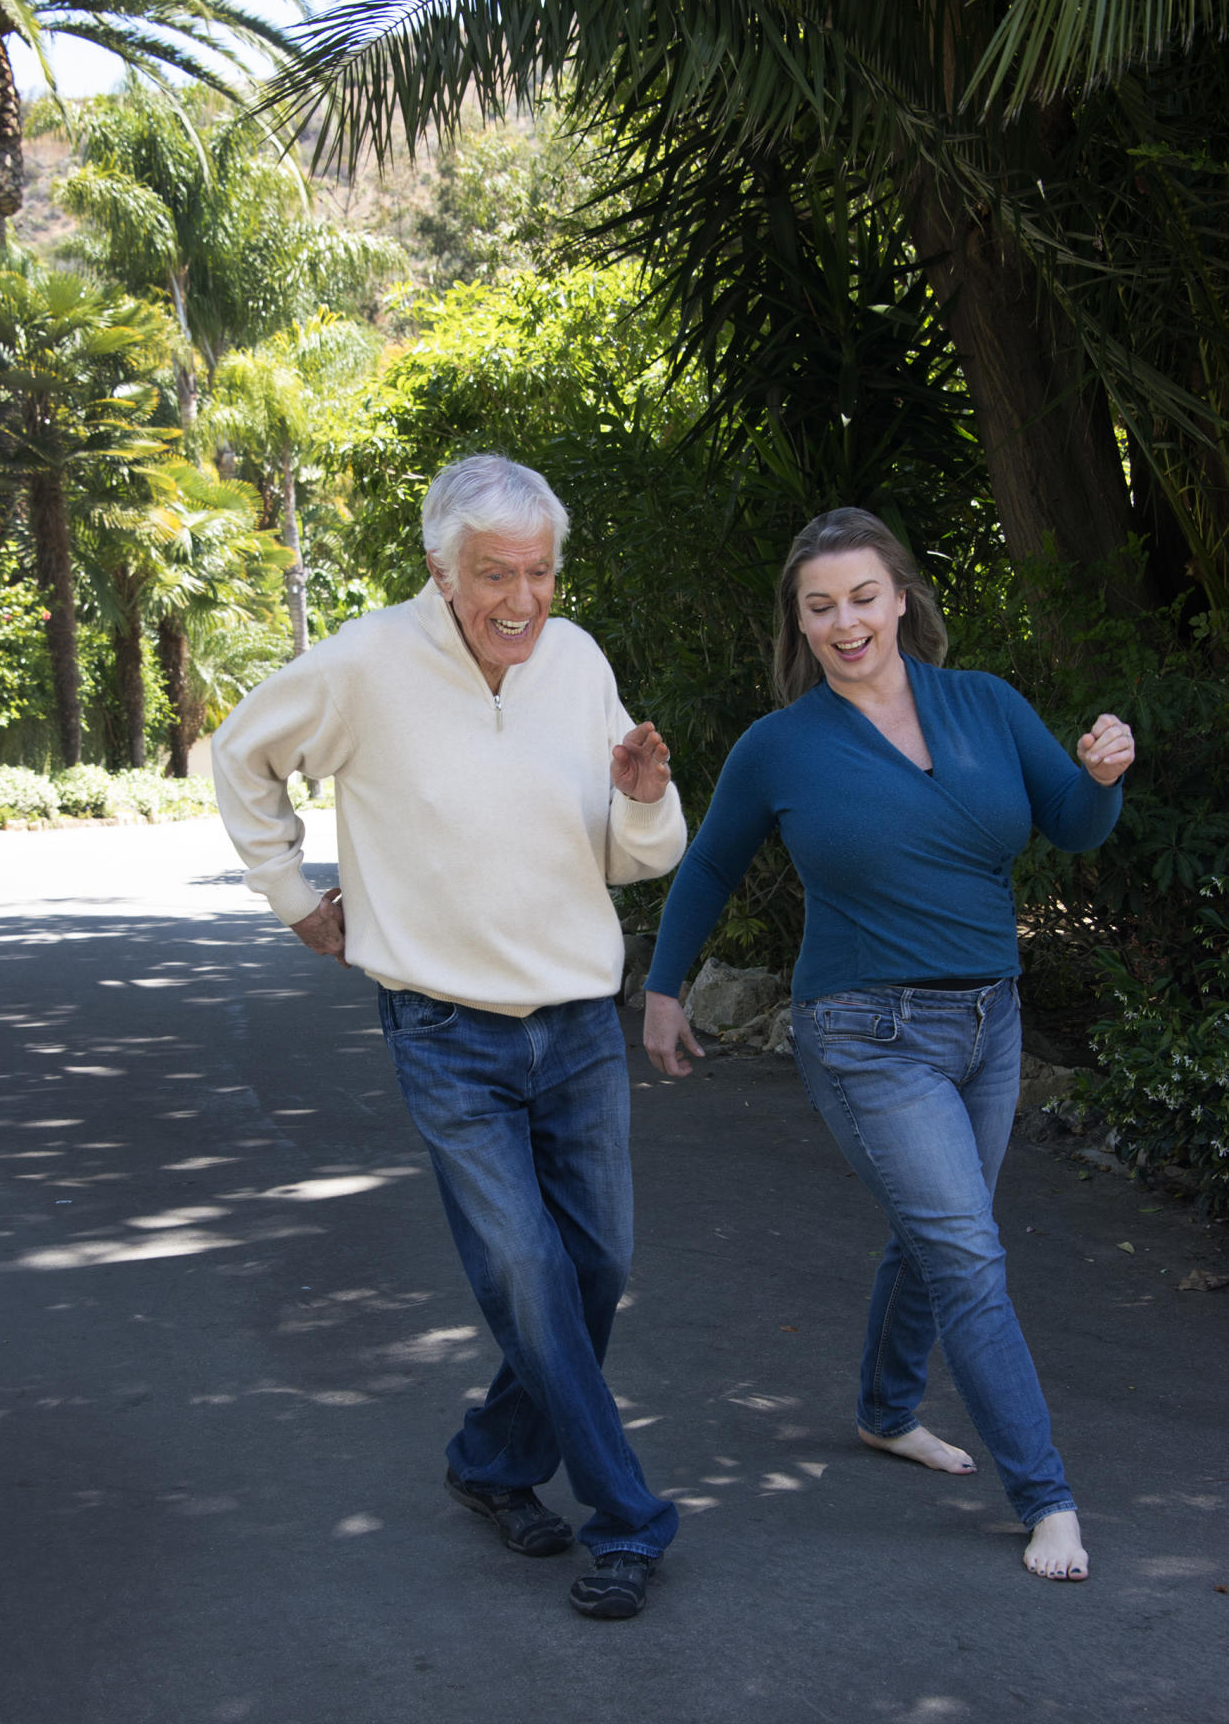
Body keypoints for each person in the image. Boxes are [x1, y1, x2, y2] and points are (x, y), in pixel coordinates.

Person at [212, 454, 686, 1619]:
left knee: (596, 1269)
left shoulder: (574, 663)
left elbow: (641, 856)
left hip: (576, 1023)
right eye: (494, 574)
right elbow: (240, 753)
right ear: (441, 568)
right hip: (444, 1029)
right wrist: (297, 899)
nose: (521, 598)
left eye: (539, 571)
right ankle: (628, 1516)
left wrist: (640, 794)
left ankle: (489, 1459)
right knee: (526, 1272)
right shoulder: (367, 664)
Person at [643, 507, 1135, 1584]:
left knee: (936, 1231)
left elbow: (1072, 820)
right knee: (966, 1251)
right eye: (819, 606)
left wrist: (1103, 774)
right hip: (865, 1035)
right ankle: (1046, 1496)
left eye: (863, 595)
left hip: (989, 1022)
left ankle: (882, 1408)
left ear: (901, 596)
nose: (844, 620)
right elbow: (713, 867)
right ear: (801, 622)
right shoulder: (782, 745)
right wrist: (665, 987)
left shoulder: (986, 703)